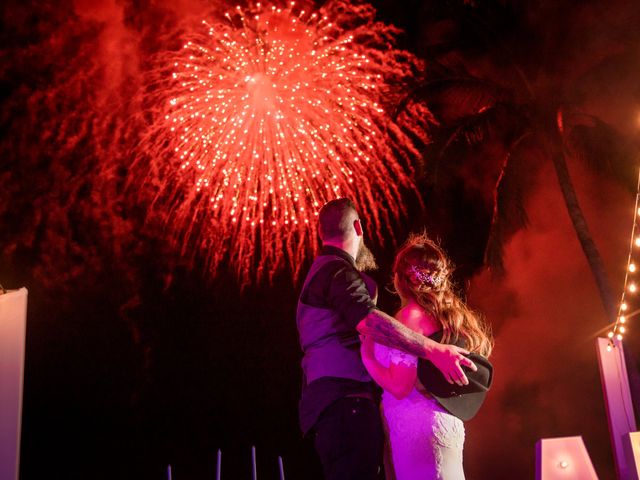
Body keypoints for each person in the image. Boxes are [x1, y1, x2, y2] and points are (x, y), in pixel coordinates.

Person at [296, 199, 476, 480]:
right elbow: (369, 320)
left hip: (337, 406)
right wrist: (433, 351)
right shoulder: (338, 272)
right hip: (346, 404)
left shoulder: (322, 272)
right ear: (358, 226)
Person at [360, 233, 494, 480]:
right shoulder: (451, 317)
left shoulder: (409, 317)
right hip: (445, 423)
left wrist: (367, 354)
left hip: (417, 428)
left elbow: (400, 386)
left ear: (401, 278)